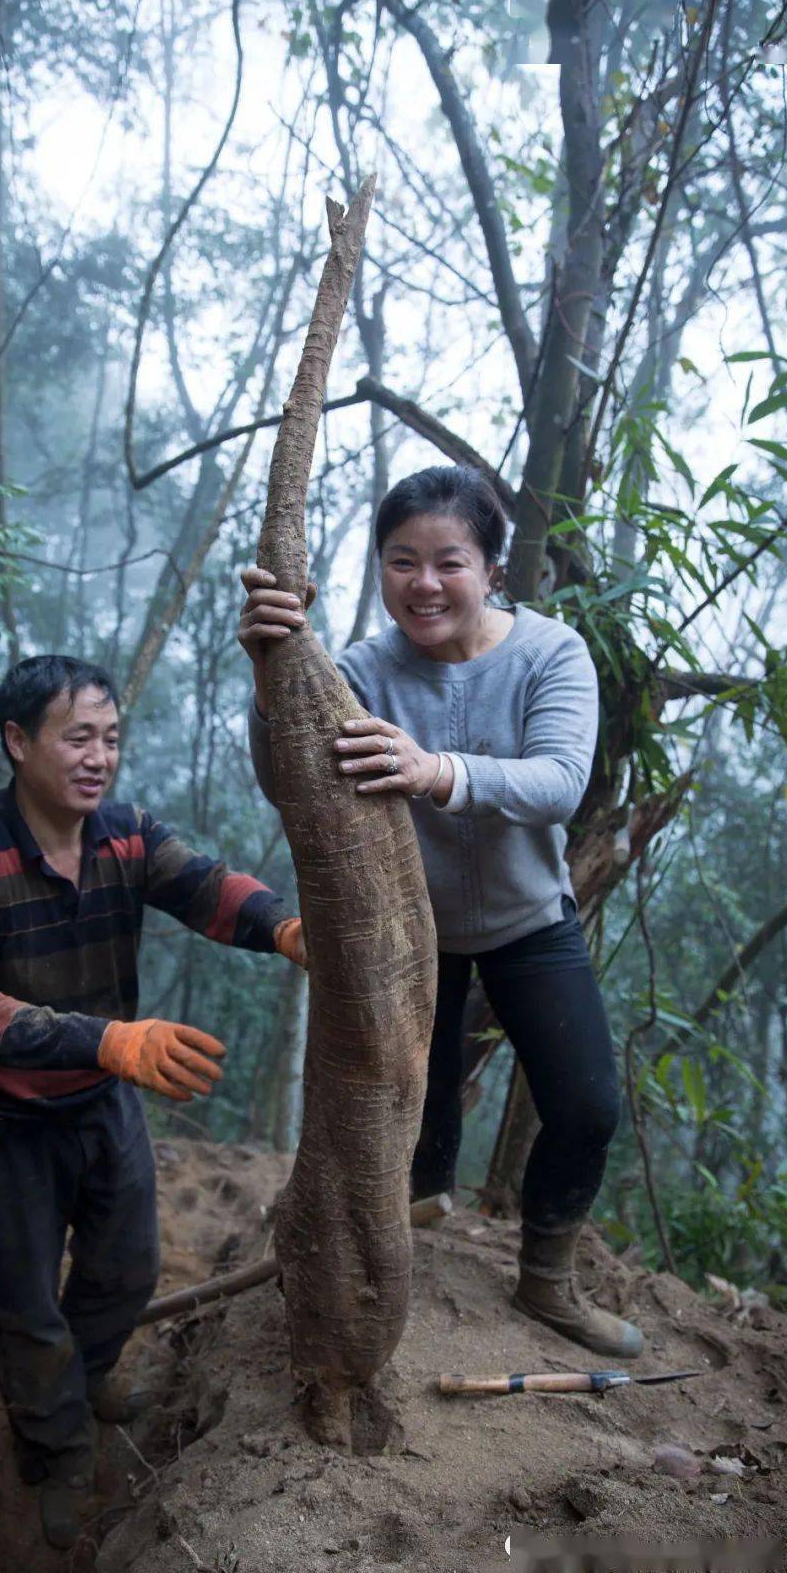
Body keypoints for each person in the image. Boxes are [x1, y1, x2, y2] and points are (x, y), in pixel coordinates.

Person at [237, 464, 642, 1362]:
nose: (424, 583)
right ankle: (397, 1258)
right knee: (405, 1114)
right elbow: (284, 781)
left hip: (530, 921)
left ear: (492, 569)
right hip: (402, 935)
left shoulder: (550, 653)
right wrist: (272, 678)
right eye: (401, 561)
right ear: (379, 569)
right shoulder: (360, 672)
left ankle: (547, 1280)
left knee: (585, 1104)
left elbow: (561, 784)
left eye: (448, 561)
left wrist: (437, 771)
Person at [0, 655, 305, 1548]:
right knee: (25, 1300)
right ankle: (54, 1451)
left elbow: (205, 886)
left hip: (100, 1100)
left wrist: (282, 925)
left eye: (112, 739)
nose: (100, 757)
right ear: (18, 743)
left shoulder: (125, 835)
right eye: (77, 737)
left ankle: (81, 1385)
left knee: (127, 1267)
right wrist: (112, 1039)